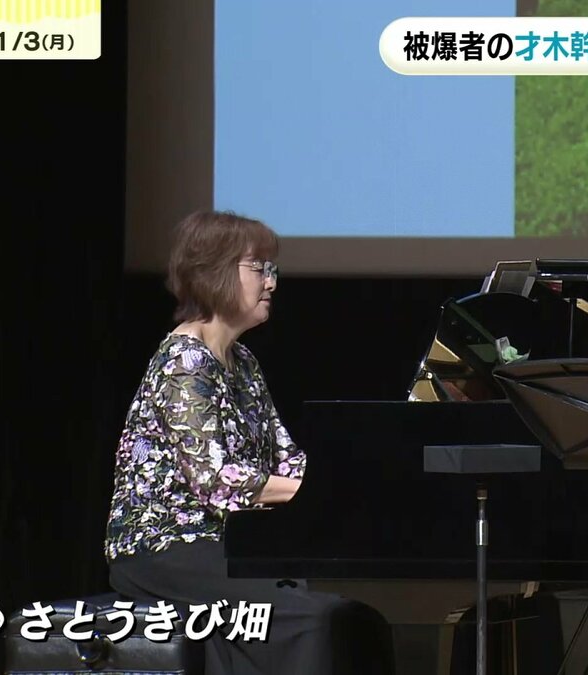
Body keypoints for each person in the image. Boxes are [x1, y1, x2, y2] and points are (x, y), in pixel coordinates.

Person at [103, 210, 392, 674]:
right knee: (316, 621)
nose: (272, 282)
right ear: (214, 272)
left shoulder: (243, 363)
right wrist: (322, 492)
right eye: (259, 268)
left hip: (229, 545)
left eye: (271, 269)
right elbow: (217, 480)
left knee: (358, 619)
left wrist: (350, 478)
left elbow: (286, 458)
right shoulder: (184, 361)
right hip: (167, 548)